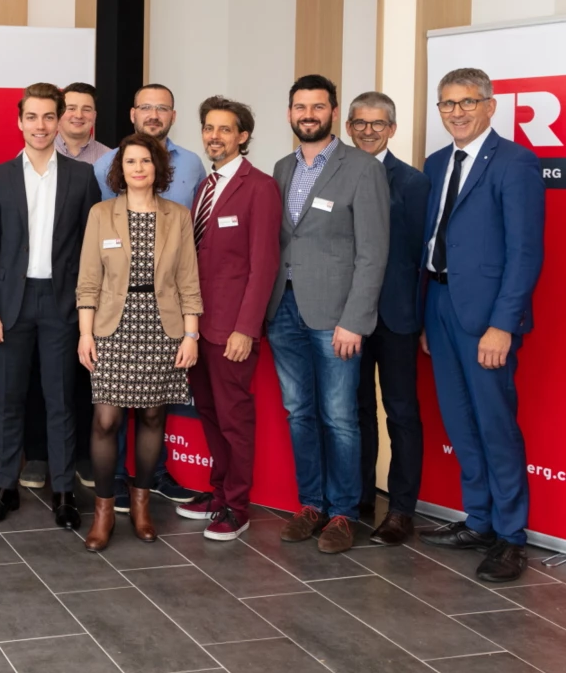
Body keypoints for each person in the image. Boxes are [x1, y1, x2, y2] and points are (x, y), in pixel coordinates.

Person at [418, 68, 544, 583]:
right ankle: (480, 520)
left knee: (494, 424)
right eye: (447, 104)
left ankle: (512, 538)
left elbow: (525, 251)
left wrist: (503, 324)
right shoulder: (435, 162)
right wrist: (426, 314)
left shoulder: (515, 163)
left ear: (491, 106)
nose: (456, 112)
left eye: (467, 102)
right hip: (440, 305)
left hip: (486, 315)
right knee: (459, 420)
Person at [268, 74, 389, 555]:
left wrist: (355, 320)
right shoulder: (280, 168)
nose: (308, 115)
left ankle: (343, 512)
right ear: (290, 113)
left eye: (318, 107)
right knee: (299, 413)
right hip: (284, 309)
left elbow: (372, 252)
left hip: (336, 315)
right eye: (300, 107)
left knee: (340, 417)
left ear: (333, 113)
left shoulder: (361, 168)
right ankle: (310, 504)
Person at [0, 83, 100, 529]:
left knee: (61, 399)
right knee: (8, 399)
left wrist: (87, 310)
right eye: (33, 117)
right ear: (19, 121)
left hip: (62, 305)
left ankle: (64, 491)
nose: (41, 125)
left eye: (50, 116)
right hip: (11, 303)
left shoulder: (82, 177)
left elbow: (90, 252)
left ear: (61, 120)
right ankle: (4, 487)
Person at [76, 133, 203, 551]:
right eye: (130, 161)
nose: (138, 168)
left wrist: (190, 334)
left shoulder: (177, 216)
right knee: (106, 421)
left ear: (158, 167)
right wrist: (85, 332)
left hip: (162, 328)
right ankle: (104, 511)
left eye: (146, 161)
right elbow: (89, 281)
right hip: (113, 326)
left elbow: (188, 280)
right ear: (120, 169)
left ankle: (143, 506)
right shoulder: (101, 214)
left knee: (152, 418)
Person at [179, 98, 281, 540]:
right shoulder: (205, 186)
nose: (214, 136)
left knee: (234, 418)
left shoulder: (258, 187)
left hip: (231, 329)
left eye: (224, 129)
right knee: (209, 412)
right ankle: (218, 492)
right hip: (198, 327)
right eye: (208, 128)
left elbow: (264, 265)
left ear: (243, 136)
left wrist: (246, 328)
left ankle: (237, 506)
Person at [346, 92, 430, 546]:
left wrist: (423, 322)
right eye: (360, 123)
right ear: (349, 127)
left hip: (397, 318)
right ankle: (359, 498)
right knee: (355, 411)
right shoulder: (335, 175)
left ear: (392, 129)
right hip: (348, 319)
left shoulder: (414, 183)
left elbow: (421, 258)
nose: (368, 131)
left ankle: (401, 510)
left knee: (400, 413)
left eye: (378, 124)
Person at [21, 81, 108, 491]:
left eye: (84, 109)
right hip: (27, 293)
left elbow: (93, 236)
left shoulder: (107, 162)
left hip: (77, 295)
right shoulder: (27, 163)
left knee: (78, 377)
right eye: (67, 108)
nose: (76, 115)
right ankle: (37, 455)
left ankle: (79, 455)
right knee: (35, 378)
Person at [56, 81, 109, 163]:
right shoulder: (39, 154)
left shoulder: (110, 158)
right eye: (71, 108)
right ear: (59, 114)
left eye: (86, 110)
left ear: (94, 116)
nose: (79, 115)